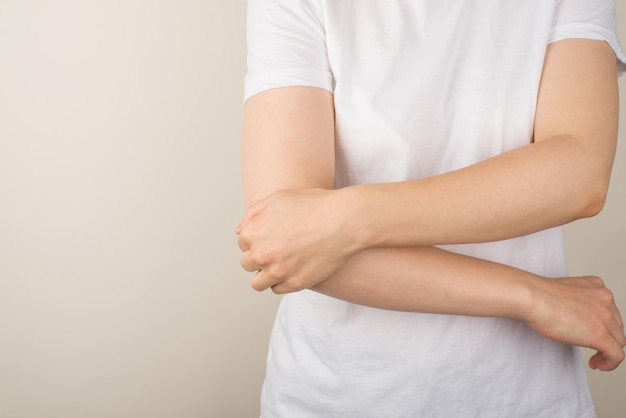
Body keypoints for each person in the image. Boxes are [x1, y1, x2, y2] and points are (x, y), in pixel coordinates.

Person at [237, 0, 626, 416]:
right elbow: (287, 241)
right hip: (341, 393)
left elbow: (579, 175)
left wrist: (347, 219)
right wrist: (531, 296)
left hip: (523, 394)